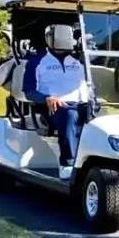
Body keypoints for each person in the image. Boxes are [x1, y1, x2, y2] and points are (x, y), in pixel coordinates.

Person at [31, 24, 89, 181]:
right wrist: (46, 98)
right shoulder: (38, 61)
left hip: (81, 104)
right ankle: (67, 164)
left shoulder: (78, 61)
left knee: (96, 117)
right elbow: (28, 90)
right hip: (52, 106)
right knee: (70, 115)